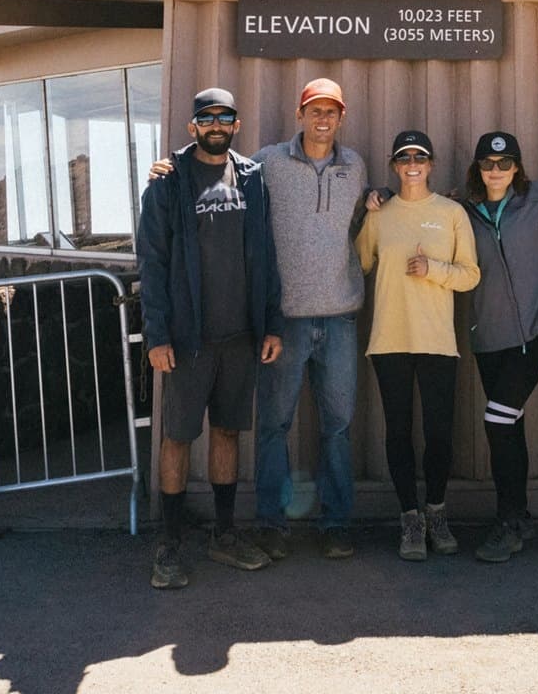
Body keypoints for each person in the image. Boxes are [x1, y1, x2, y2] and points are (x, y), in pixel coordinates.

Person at [148, 79, 371, 560]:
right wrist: (166, 166)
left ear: (341, 117)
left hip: (314, 322)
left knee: (332, 427)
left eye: (331, 111)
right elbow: (155, 254)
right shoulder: (253, 166)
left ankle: (327, 526)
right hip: (252, 327)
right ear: (299, 113)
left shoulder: (345, 168)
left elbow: (357, 219)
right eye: (315, 110)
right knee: (262, 427)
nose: (323, 119)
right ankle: (253, 528)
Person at [135, 87, 284, 590]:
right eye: (206, 118)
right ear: (192, 127)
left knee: (226, 433)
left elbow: (266, 253)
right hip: (186, 337)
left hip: (241, 337)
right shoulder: (167, 183)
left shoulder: (252, 177)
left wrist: (270, 324)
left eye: (225, 117)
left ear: (236, 125)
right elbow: (151, 265)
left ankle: (224, 534)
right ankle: (170, 544)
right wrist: (157, 334)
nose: (216, 125)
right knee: (177, 437)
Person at [355, 129, 480, 561]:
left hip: (437, 340)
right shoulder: (381, 214)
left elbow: (470, 275)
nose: (412, 165)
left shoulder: (450, 213)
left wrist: (432, 269)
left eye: (420, 158)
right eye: (404, 158)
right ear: (394, 165)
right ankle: (410, 518)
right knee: (399, 432)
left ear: (431, 165)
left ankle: (437, 512)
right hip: (389, 338)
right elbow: (360, 263)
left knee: (440, 433)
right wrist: (365, 208)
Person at [457, 130, 538, 563]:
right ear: (477, 170)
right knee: (510, 422)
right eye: (488, 164)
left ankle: (506, 521)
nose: (496, 171)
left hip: (536, 331)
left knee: (496, 420)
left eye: (504, 164)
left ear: (517, 167)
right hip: (490, 336)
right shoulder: (465, 211)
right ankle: (520, 518)